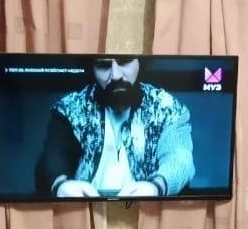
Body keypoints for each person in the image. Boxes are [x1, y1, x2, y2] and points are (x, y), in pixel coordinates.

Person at [35, 56, 195, 198]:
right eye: (104, 65)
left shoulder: (167, 108)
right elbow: (55, 156)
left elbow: (180, 159)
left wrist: (156, 187)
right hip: (86, 213)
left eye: (124, 61)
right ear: (92, 68)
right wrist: (61, 185)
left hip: (145, 213)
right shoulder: (69, 109)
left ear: (140, 63)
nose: (116, 75)